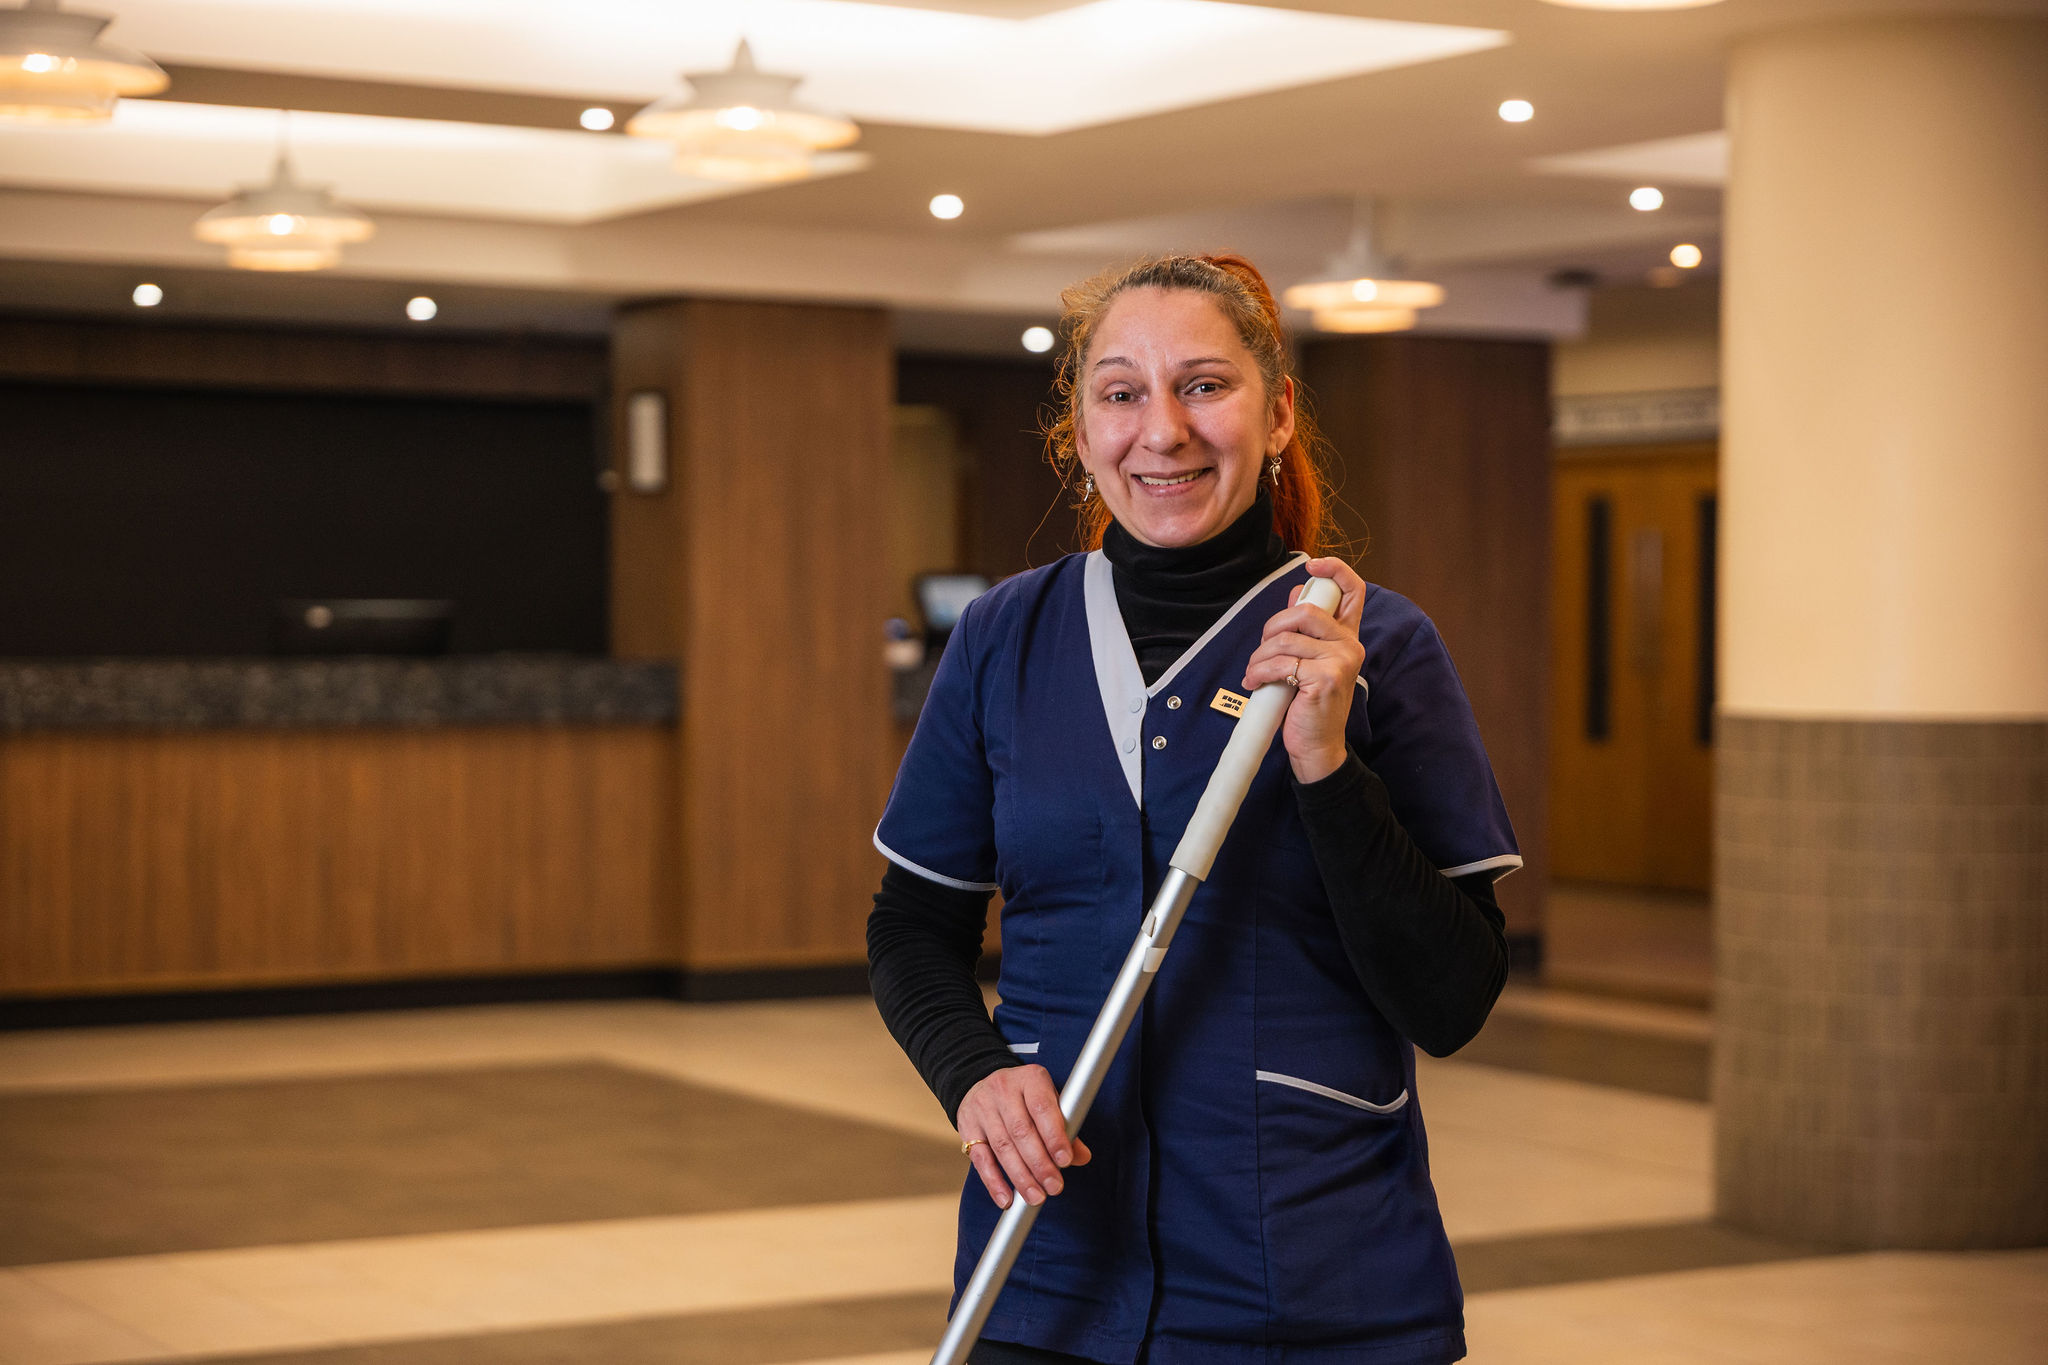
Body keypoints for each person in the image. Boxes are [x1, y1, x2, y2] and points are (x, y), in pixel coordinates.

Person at [867, 254, 1519, 1365]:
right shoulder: (1001, 640)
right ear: (1078, 431)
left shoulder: (1376, 650)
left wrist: (1324, 764)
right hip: (1047, 1270)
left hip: (1314, 1282)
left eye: (1203, 386)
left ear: (1276, 418)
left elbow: (1450, 999)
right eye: (1120, 393)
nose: (1160, 430)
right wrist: (971, 1075)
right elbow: (912, 926)